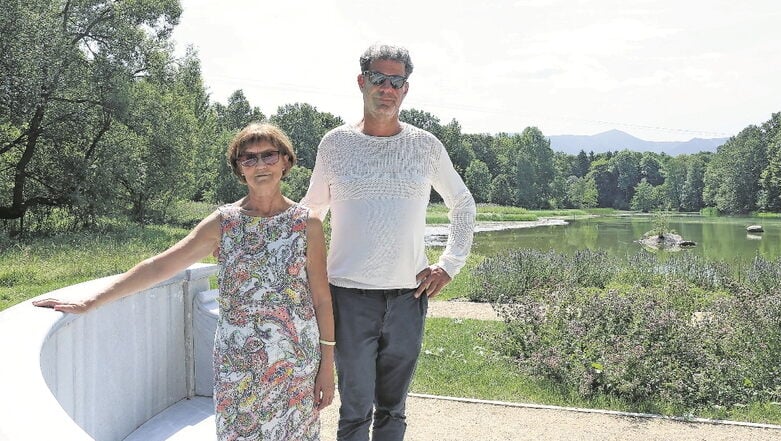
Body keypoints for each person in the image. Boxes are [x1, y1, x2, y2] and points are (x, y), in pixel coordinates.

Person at [34, 123, 336, 441]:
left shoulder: (307, 224)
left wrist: (326, 366)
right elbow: (160, 266)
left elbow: (321, 300)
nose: (260, 165)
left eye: (269, 155)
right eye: (248, 158)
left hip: (294, 362)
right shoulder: (224, 223)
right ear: (238, 168)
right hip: (238, 363)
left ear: (286, 161)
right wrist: (91, 301)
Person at [301, 43, 476, 441]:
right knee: (354, 410)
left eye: (396, 81)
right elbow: (312, 213)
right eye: (379, 79)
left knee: (393, 411)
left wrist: (450, 264)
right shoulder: (335, 144)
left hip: (407, 300)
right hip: (348, 297)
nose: (387, 88)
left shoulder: (425, 146)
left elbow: (462, 204)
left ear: (406, 89)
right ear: (362, 82)